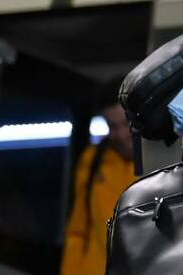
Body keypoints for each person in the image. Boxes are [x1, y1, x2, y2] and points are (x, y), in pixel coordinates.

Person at [61, 77, 136, 275]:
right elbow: (77, 232)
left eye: (125, 123)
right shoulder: (93, 160)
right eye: (112, 126)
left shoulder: (165, 161)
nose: (120, 135)